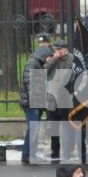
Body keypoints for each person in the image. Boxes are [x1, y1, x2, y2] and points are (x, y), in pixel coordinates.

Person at [23, 34, 54, 164]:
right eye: (48, 58)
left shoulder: (37, 62)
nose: (49, 60)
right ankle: (28, 155)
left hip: (35, 102)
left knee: (34, 128)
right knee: (33, 128)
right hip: (31, 103)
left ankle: (31, 154)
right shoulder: (33, 64)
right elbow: (30, 84)